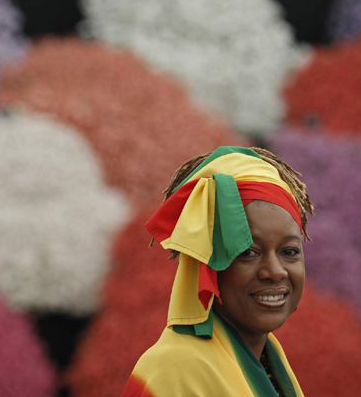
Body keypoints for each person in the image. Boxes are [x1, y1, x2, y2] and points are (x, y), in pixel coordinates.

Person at [122, 146, 314, 397]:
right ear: (206, 264)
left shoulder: (269, 358)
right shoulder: (172, 371)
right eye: (248, 252)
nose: (275, 272)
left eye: (289, 252)